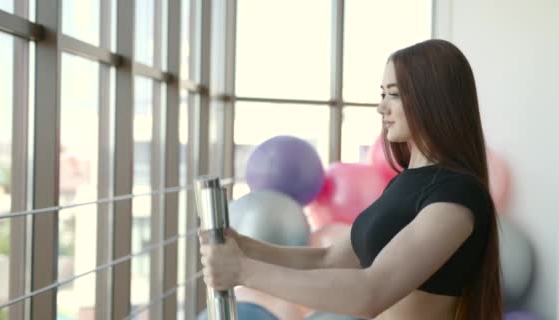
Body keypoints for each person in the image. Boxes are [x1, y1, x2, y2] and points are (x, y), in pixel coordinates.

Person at [199, 39, 502, 320]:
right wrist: (246, 248)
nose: (382, 107)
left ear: (433, 99)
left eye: (394, 94)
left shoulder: (459, 195)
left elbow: (372, 292)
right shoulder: (405, 182)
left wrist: (242, 270)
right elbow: (328, 260)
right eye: (382, 94)